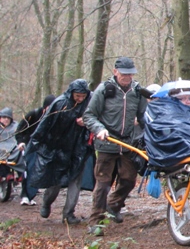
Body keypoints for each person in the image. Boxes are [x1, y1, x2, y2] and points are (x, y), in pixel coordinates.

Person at [83, 57, 148, 236]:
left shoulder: (137, 92)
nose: (128, 77)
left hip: (128, 144)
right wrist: (99, 129)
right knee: (103, 184)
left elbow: (143, 116)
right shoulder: (104, 90)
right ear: (115, 72)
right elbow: (89, 115)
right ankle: (95, 221)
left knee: (128, 180)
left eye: (131, 74)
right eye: (124, 74)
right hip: (107, 143)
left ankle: (113, 205)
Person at [26, 80, 92, 224]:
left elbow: (97, 117)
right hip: (58, 148)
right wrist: (36, 142)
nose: (80, 99)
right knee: (55, 181)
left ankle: (68, 214)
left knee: (75, 181)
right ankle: (46, 202)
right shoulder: (60, 103)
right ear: (71, 93)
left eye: (83, 96)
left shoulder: (90, 102)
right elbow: (45, 124)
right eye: (77, 96)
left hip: (79, 148)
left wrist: (86, 121)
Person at [15, 94, 56, 205]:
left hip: (44, 147)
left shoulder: (55, 117)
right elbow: (19, 130)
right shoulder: (33, 115)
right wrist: (21, 142)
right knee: (28, 169)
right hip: (29, 144)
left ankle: (31, 195)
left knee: (38, 171)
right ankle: (25, 195)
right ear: (45, 107)